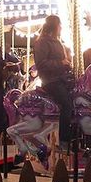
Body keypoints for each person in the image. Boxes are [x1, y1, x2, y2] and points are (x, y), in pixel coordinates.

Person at [33, 15, 74, 152]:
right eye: (60, 25)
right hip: (51, 80)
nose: (61, 27)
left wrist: (67, 65)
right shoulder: (42, 43)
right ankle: (63, 141)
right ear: (54, 26)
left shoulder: (56, 41)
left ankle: (76, 137)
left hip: (61, 78)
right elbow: (41, 64)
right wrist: (60, 63)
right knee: (67, 103)